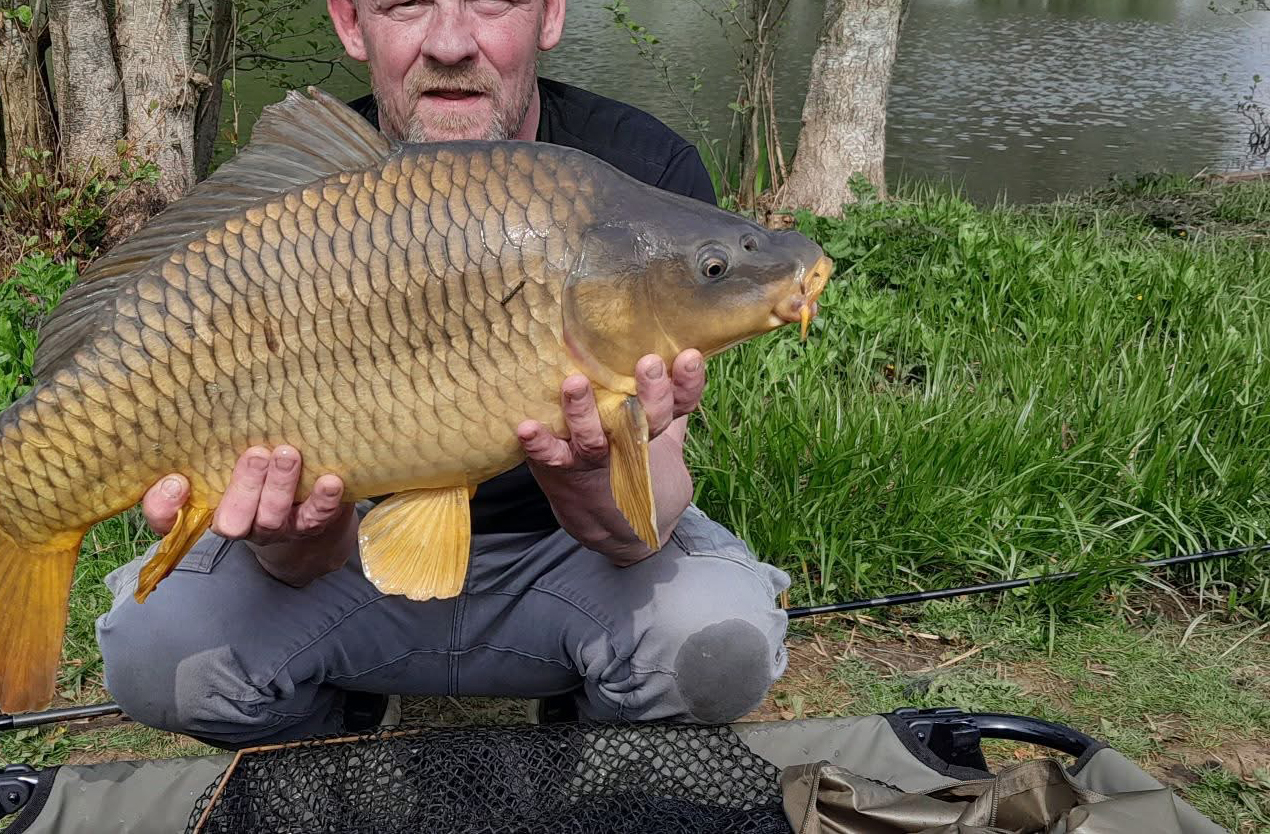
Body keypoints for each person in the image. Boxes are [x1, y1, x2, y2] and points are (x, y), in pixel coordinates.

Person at [93, 0, 792, 750]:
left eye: (492, 2)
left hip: (566, 563)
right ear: (350, 22)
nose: (451, 42)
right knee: (158, 656)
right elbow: (296, 562)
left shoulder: (639, 178)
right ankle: (334, 743)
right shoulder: (289, 207)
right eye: (405, 4)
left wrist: (586, 478)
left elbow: (639, 533)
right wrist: (296, 533)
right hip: (346, 562)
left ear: (550, 16)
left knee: (716, 648)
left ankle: (580, 742)